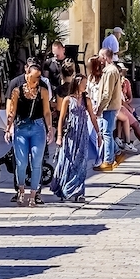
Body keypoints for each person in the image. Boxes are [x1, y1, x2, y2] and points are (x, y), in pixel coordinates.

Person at [5, 61, 54, 206]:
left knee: (37, 162)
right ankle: (21, 190)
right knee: (21, 163)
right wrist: (8, 128)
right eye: (34, 77)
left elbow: (46, 111)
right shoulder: (17, 90)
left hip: (37, 127)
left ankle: (33, 194)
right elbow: (12, 112)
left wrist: (50, 128)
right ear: (27, 75)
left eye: (39, 77)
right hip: (21, 127)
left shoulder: (43, 90)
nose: (37, 80)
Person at [52, 74, 100, 204]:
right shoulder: (67, 99)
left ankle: (79, 192)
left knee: (82, 163)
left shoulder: (87, 100)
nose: (86, 85)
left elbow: (93, 117)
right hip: (71, 135)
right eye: (84, 83)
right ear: (77, 83)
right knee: (68, 162)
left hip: (82, 134)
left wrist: (98, 134)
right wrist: (59, 137)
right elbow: (61, 118)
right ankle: (65, 188)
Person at [94, 47, 125, 171]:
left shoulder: (110, 72)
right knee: (106, 132)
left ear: (105, 57)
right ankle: (117, 153)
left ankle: (108, 160)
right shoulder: (110, 70)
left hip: (109, 106)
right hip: (110, 106)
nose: (99, 59)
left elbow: (107, 93)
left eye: (101, 56)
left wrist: (100, 107)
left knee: (106, 133)